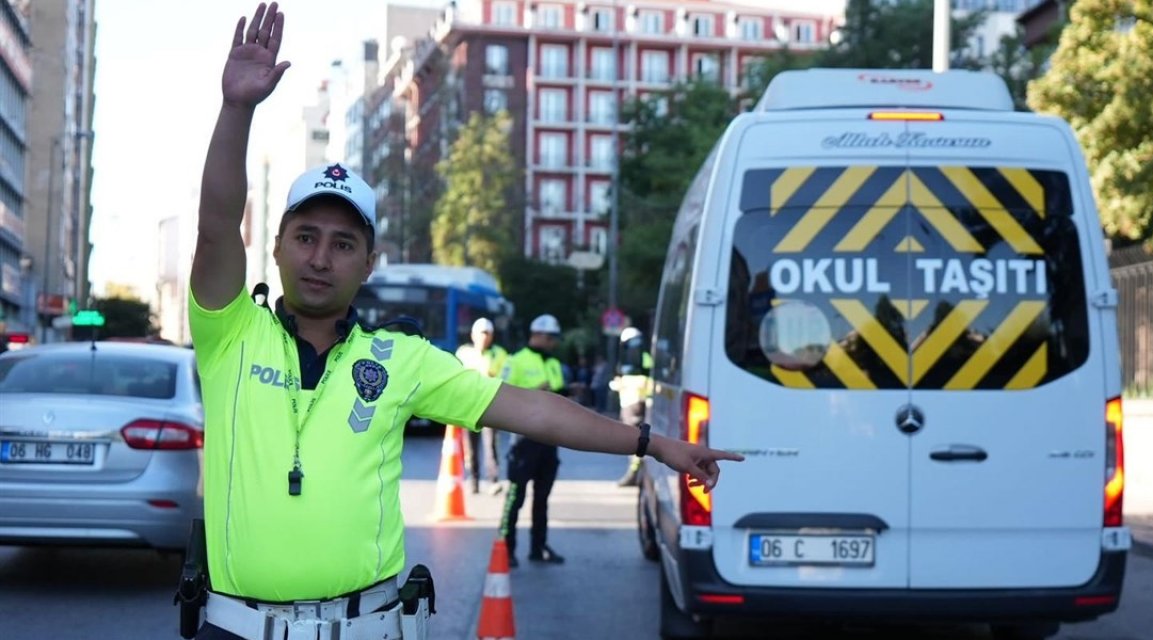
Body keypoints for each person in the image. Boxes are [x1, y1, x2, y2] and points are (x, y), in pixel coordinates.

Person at [184, 5, 742, 639]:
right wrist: (237, 110)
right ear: (277, 245)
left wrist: (653, 444)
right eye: (306, 236)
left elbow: (533, 410)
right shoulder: (230, 333)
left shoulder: (400, 359)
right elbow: (215, 225)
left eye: (343, 244)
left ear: (369, 264)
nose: (319, 257)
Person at [498, 314, 568, 566]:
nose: (553, 343)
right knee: (515, 497)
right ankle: (505, 548)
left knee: (542, 497)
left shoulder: (554, 363)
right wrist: (533, 394)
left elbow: (559, 395)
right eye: (550, 338)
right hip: (524, 440)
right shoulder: (515, 361)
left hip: (549, 439)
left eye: (555, 339)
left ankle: (538, 547)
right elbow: (500, 395)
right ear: (537, 334)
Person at [454, 317, 507, 494]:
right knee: (471, 446)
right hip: (468, 406)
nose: (484, 338)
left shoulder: (499, 353)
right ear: (473, 335)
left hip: (491, 405)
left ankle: (493, 480)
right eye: (481, 334)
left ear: (492, 336)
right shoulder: (463, 352)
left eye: (487, 334)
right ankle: (474, 480)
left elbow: (505, 376)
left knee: (491, 444)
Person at [610, 327, 653, 487]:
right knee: (636, 438)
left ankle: (634, 474)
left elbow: (641, 378)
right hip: (634, 400)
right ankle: (636, 472)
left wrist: (620, 383)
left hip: (633, 401)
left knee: (635, 439)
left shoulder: (633, 356)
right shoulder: (644, 355)